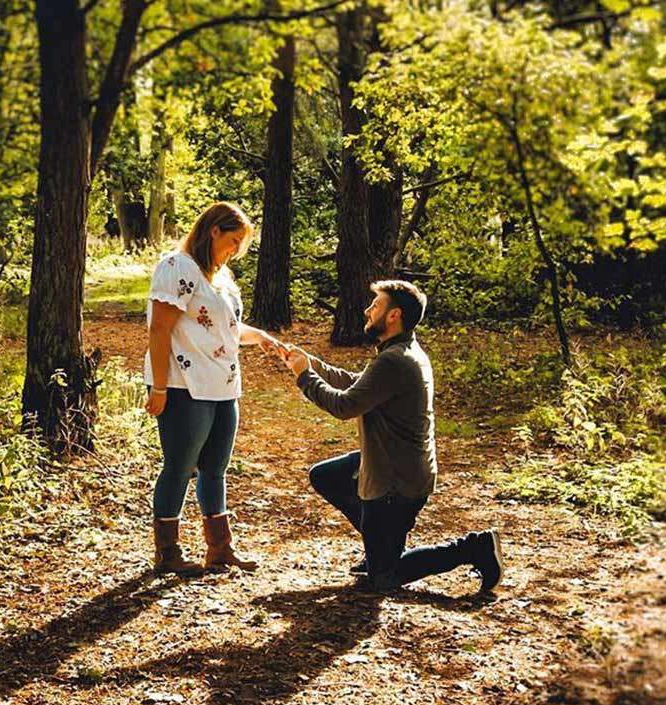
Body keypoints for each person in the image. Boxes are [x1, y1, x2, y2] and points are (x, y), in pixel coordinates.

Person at [281, 280, 503, 593]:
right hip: (399, 468)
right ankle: (380, 545)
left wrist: (305, 376)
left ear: (394, 315)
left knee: (384, 578)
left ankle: (473, 548)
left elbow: (344, 405)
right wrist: (310, 364)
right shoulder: (403, 351)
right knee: (326, 476)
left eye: (376, 305)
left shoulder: (395, 360)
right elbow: (358, 383)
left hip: (395, 483)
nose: (367, 311)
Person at [144, 202, 282, 576]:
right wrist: (159, 388)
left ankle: (219, 549)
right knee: (179, 466)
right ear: (213, 231)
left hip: (223, 384)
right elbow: (159, 330)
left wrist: (264, 337)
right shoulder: (177, 266)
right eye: (233, 240)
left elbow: (228, 331)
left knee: (215, 468)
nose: (236, 250)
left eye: (242, 244)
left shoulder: (220, 278)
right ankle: (167, 553)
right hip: (183, 384)